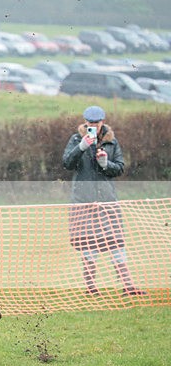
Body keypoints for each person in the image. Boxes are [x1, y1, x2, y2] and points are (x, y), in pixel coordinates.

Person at [62, 105, 145, 296]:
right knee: (89, 246)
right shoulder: (76, 140)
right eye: (89, 123)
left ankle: (128, 286)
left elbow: (120, 168)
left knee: (116, 243)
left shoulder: (112, 142)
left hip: (108, 203)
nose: (93, 126)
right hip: (83, 203)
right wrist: (82, 147)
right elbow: (67, 163)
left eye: (96, 123)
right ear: (85, 122)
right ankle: (91, 288)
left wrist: (106, 164)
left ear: (103, 122)